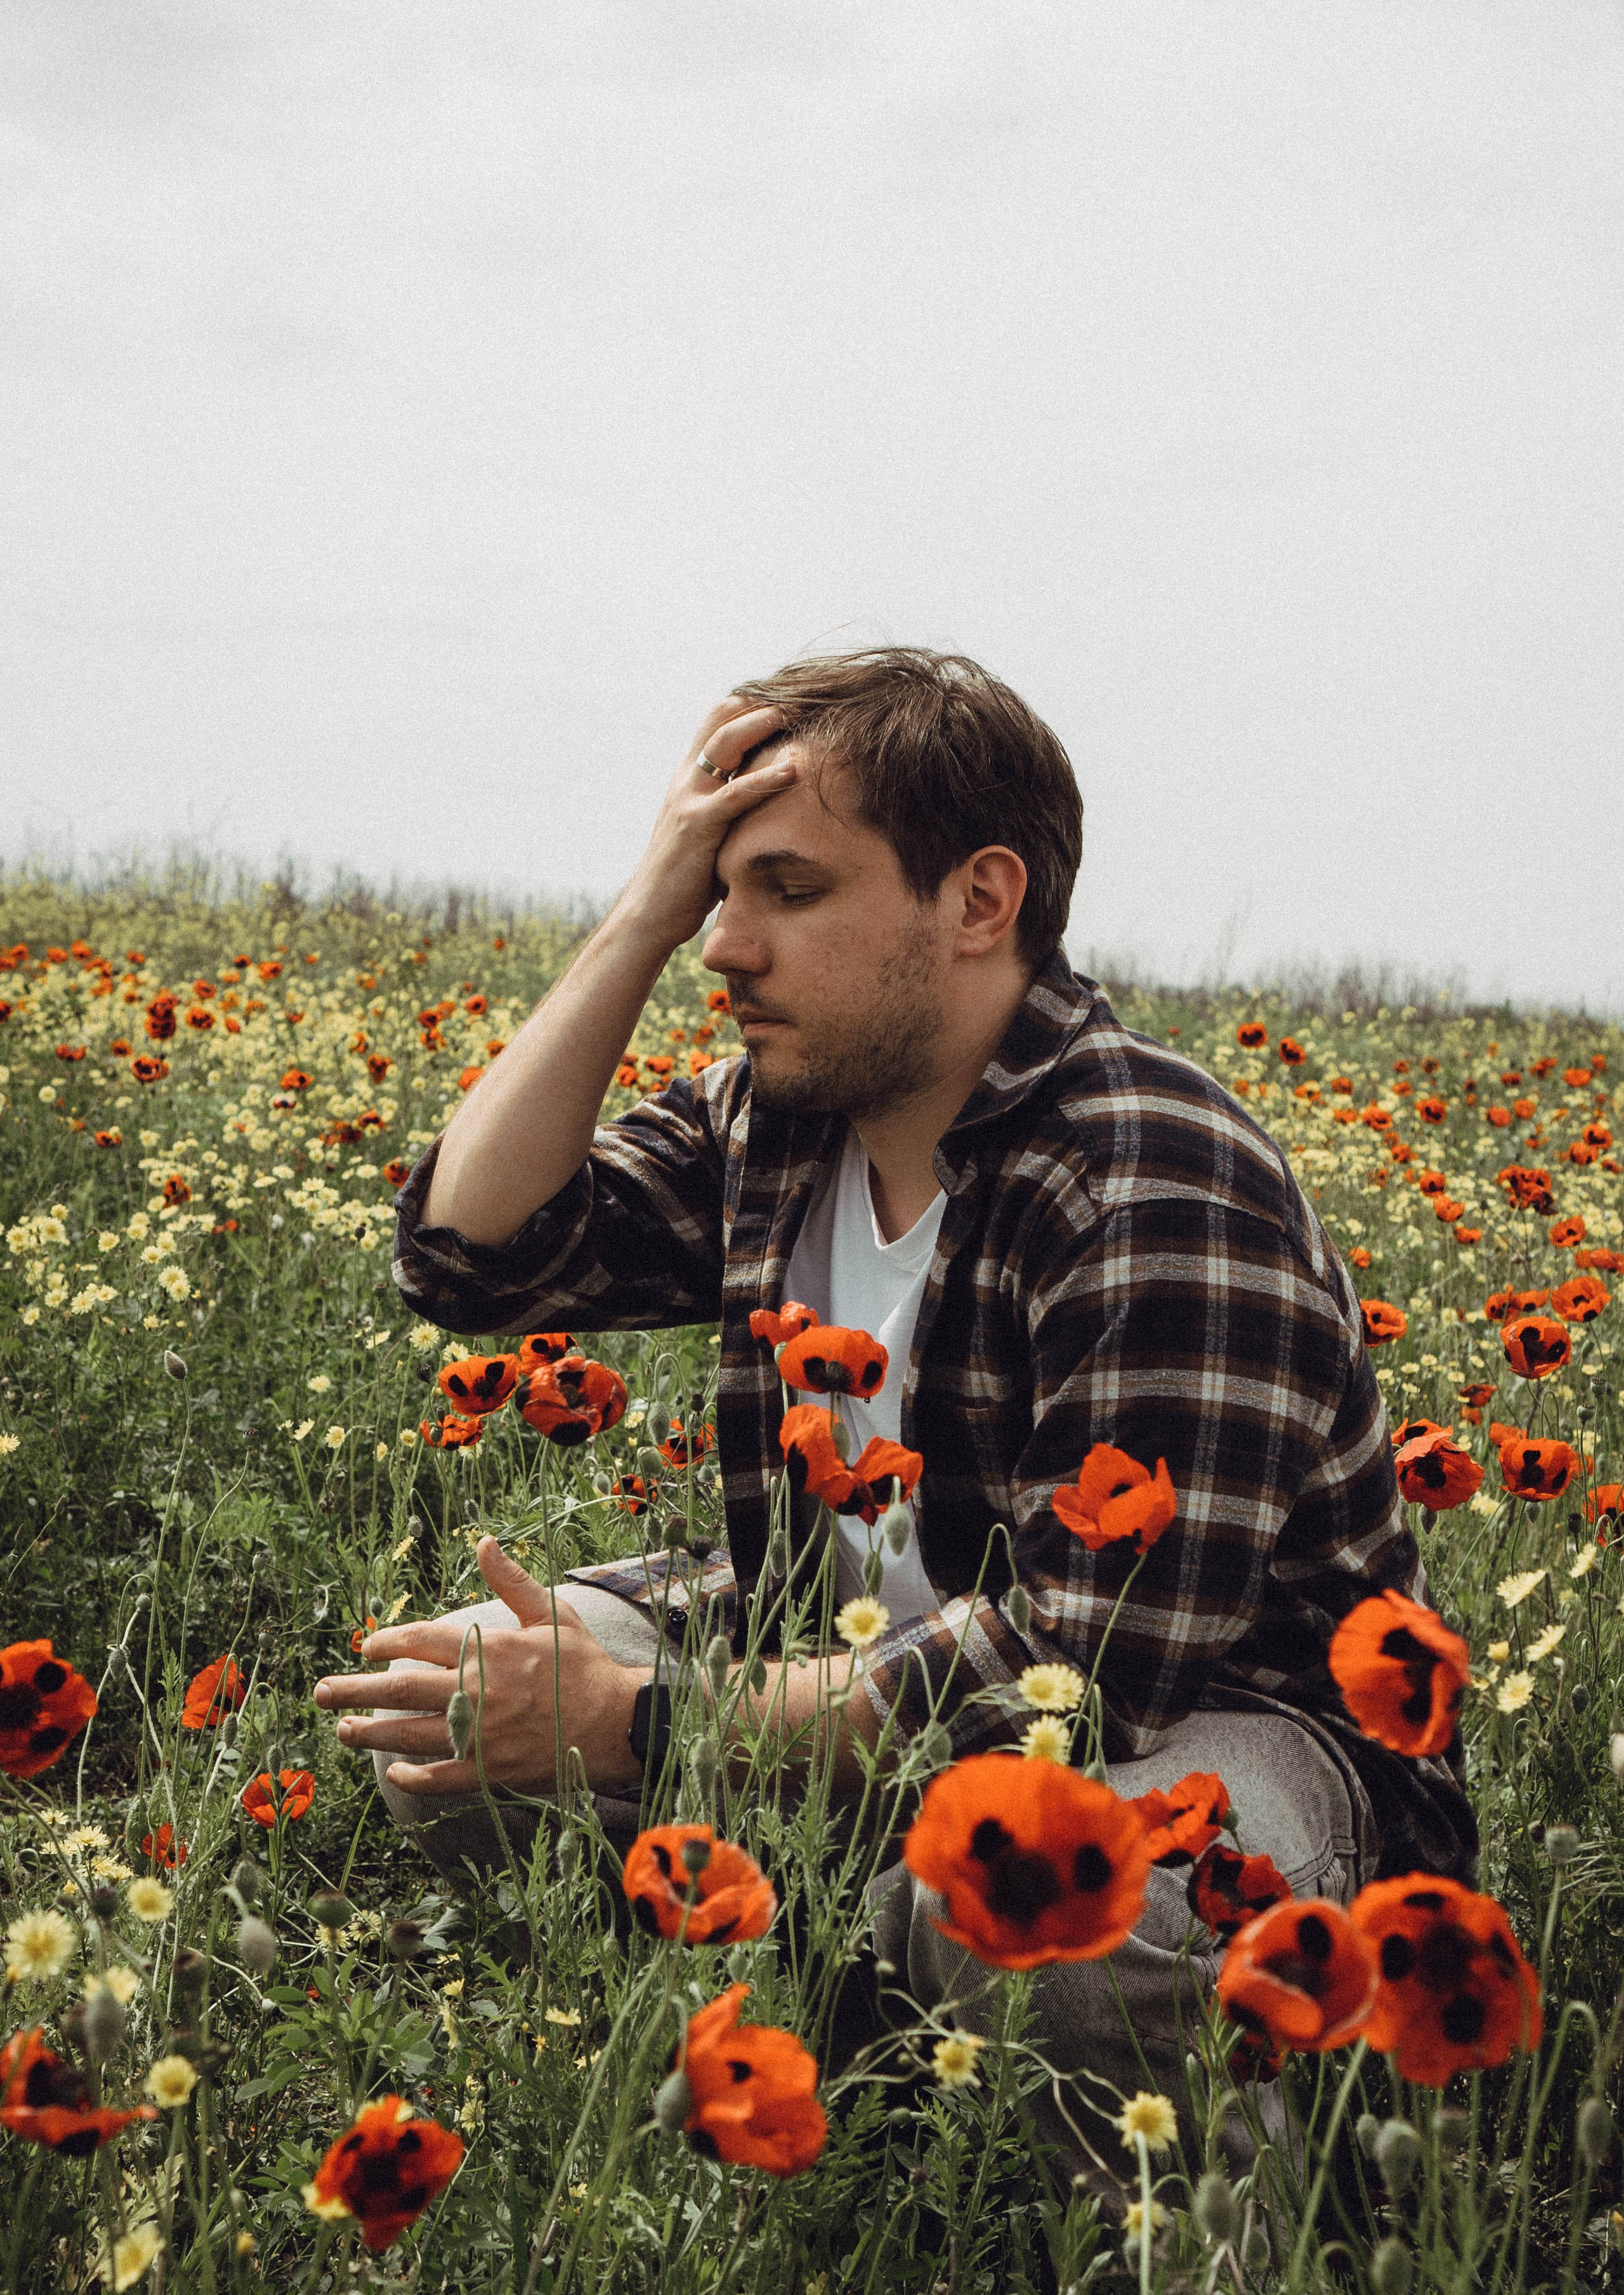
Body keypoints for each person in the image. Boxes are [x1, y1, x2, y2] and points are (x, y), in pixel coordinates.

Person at [312, 646, 1477, 2188]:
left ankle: (1225, 2262)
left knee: (1033, 1903)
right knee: (453, 1706)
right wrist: (645, 905)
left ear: (978, 901)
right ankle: (834, 2058)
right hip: (869, 1674)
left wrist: (639, 1724)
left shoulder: (1148, 1173)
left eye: (785, 890)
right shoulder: (777, 1123)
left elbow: (1088, 1667)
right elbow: (469, 1256)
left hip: (1234, 1736)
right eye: (711, 895)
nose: (724, 949)